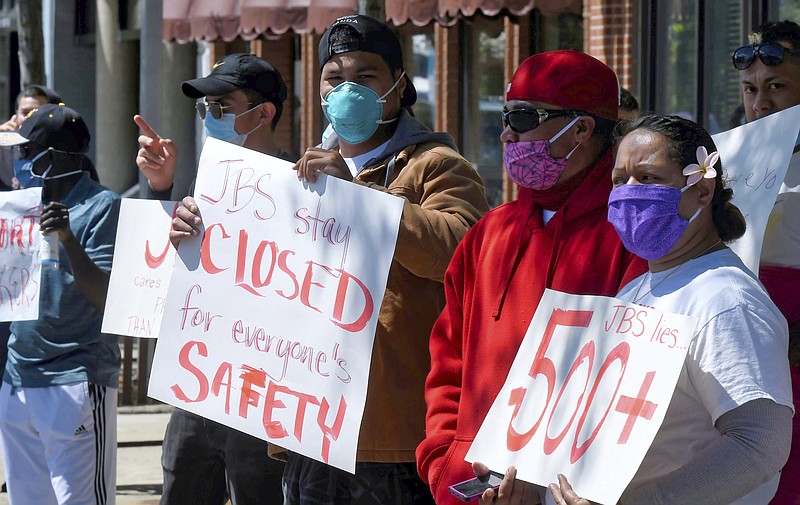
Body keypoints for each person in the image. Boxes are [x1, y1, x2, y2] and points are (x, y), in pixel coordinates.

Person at [169, 14, 490, 504]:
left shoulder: (437, 166)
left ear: (400, 86)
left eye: (366, 77)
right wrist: (200, 233)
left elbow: (458, 253)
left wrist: (357, 194)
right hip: (309, 433)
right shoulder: (294, 175)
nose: (348, 90)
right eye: (335, 78)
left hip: (392, 443)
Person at [476, 114, 793, 505]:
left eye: (647, 178)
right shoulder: (636, 288)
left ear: (702, 190)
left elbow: (759, 441)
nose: (628, 192)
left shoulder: (727, 301)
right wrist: (535, 486)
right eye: (618, 179)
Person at [415, 49, 647, 505]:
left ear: (581, 129)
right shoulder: (488, 232)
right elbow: (448, 361)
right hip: (470, 491)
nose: (505, 133)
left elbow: (634, 385)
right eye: (506, 116)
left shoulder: (630, 238)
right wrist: (444, 459)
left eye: (523, 117)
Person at [135, 52, 291, 505]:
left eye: (222, 107)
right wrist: (160, 189)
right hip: (198, 390)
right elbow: (152, 273)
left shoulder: (305, 194)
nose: (210, 117)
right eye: (205, 109)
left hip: (264, 399)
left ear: (263, 113)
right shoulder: (204, 190)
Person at [0, 103, 121, 504]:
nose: (18, 162)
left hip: (76, 378)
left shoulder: (102, 206)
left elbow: (105, 296)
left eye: (25, 153)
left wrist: (68, 238)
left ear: (52, 159)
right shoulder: (18, 209)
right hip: (18, 379)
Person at [734, 19, 800, 503]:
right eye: (751, 88)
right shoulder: (722, 163)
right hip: (739, 360)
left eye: (777, 86)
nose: (761, 102)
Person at [0, 84, 62, 190]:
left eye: (36, 113)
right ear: (15, 116)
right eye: (25, 113)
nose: (29, 119)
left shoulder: (67, 153)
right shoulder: (3, 150)